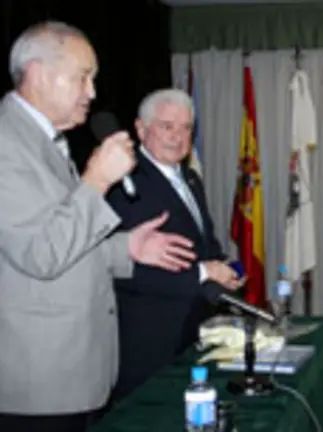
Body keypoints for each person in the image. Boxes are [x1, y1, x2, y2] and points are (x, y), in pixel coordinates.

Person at [0, 21, 197, 432]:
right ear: (37, 73)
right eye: (83, 77)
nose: (91, 92)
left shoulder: (44, 140)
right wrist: (97, 181)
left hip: (76, 372)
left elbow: (64, 237)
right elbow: (41, 254)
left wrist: (125, 248)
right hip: (40, 383)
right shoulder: (6, 142)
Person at [107, 89, 243, 401]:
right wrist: (201, 273)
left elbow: (206, 247)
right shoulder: (124, 182)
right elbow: (123, 269)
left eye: (186, 128)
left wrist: (229, 269)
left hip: (194, 330)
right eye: (167, 126)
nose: (178, 137)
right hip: (146, 338)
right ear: (141, 129)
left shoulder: (190, 178)